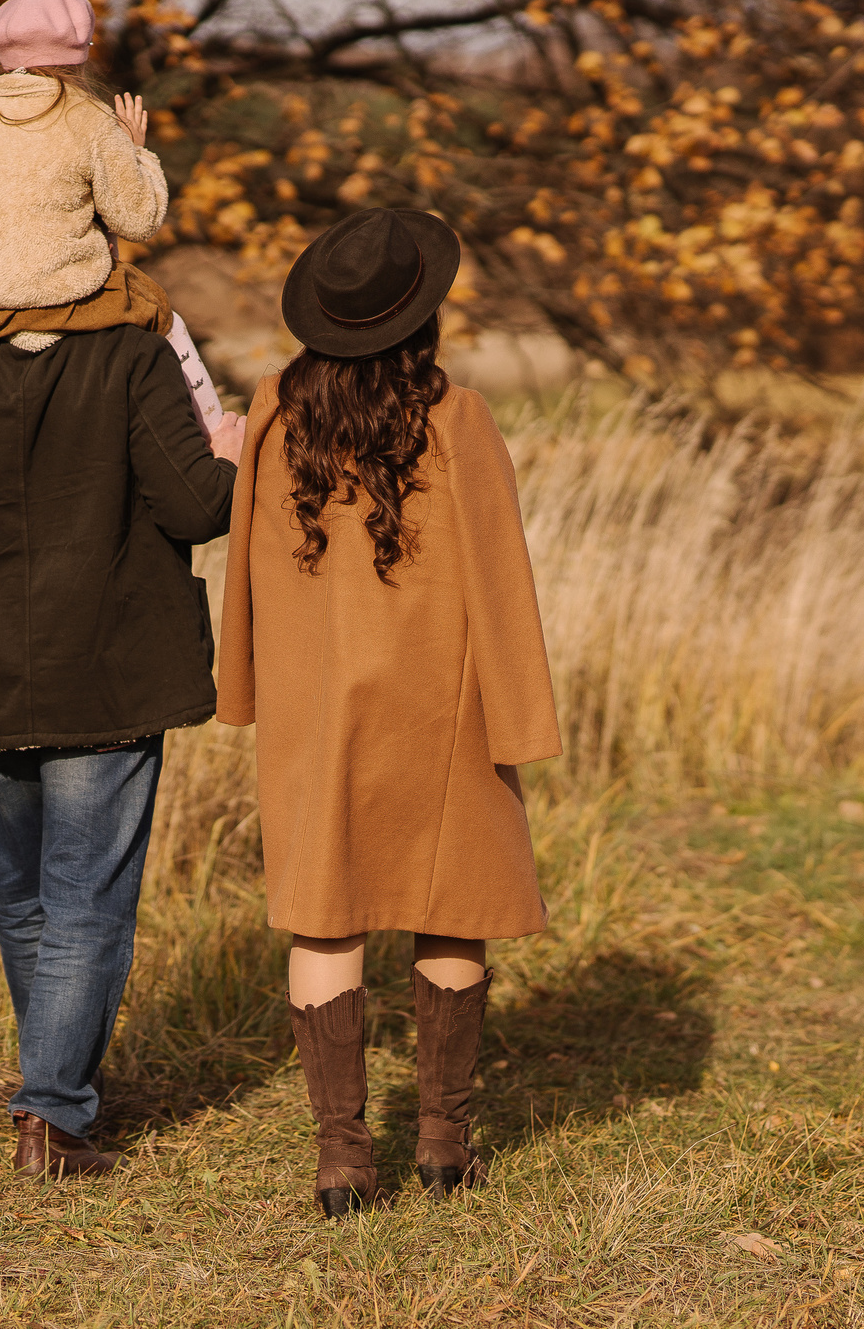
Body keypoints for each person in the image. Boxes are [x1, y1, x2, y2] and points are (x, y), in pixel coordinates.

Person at [0, 0, 246, 1181]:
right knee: (85, 898)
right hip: (111, 666)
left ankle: (50, 1092)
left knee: (23, 891)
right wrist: (230, 452)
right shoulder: (129, 356)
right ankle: (54, 1114)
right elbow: (194, 507)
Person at [217, 207, 560, 1218]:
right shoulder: (453, 416)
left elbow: (242, 562)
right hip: (439, 697)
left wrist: (240, 684)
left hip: (314, 703)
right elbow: (500, 577)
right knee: (452, 899)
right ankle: (444, 1147)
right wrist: (523, 721)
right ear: (421, 317)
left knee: (327, 915)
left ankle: (340, 1162)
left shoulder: (276, 406)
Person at [0, 0, 230, 440]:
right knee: (162, 315)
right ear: (79, 49)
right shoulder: (88, 117)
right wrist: (138, 152)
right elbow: (138, 219)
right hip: (60, 299)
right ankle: (217, 441)